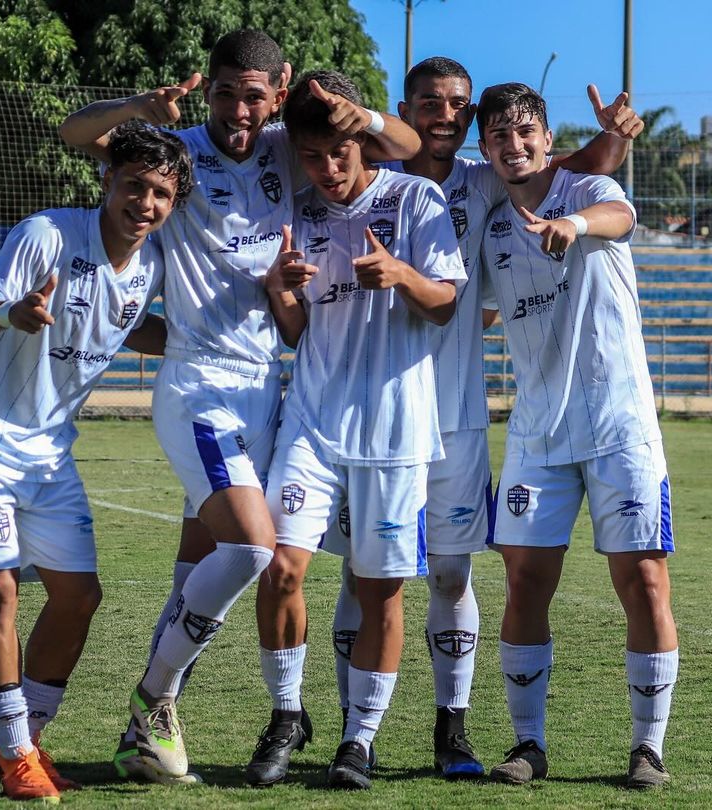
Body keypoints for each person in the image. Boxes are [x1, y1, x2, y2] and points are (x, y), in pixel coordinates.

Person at [248, 55, 645, 783]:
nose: (446, 114)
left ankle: (451, 728)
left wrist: (615, 141)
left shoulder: (479, 179)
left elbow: (557, 165)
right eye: (429, 102)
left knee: (452, 576)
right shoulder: (332, 184)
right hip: (356, 411)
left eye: (459, 105)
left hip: (451, 416)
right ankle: (349, 733)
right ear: (403, 109)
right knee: (355, 577)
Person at [58, 30, 420, 784]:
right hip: (201, 387)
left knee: (199, 563)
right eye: (226, 93)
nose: (238, 110)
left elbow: (407, 145)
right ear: (211, 90)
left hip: (269, 389)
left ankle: (146, 737)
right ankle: (149, 702)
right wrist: (138, 109)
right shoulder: (179, 149)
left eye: (255, 95)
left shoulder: (294, 147)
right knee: (255, 549)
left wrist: (363, 118)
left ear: (280, 90)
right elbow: (75, 133)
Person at [0, 122, 191, 803]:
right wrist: (15, 313)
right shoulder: (48, 234)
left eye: (161, 193)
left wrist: (217, 338)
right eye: (134, 185)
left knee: (79, 596)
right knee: (2, 592)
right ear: (107, 180)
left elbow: (132, 325)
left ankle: (25, 738)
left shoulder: (154, 264)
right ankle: (16, 755)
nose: (145, 203)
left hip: (48, 453)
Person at [255, 69, 464, 791]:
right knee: (279, 568)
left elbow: (445, 306)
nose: (329, 169)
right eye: (312, 158)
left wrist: (402, 275)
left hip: (396, 432)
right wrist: (280, 291)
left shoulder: (417, 198)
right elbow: (296, 333)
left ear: (363, 139)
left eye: (339, 152)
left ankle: (360, 739)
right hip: (311, 423)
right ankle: (287, 714)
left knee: (380, 592)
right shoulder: (302, 214)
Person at [475, 83, 678, 790]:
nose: (514, 144)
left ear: (546, 137)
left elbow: (618, 215)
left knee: (644, 581)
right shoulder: (490, 223)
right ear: (485, 149)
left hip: (621, 426)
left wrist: (578, 226)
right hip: (537, 432)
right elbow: (484, 313)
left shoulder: (588, 185)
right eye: (499, 135)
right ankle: (528, 744)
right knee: (525, 582)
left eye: (525, 131)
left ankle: (647, 748)